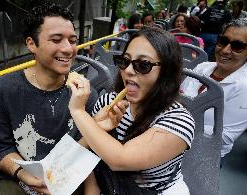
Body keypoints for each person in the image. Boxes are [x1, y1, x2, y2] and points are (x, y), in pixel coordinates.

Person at [0, 3, 98, 195]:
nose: (68, 49)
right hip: (21, 181)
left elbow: (87, 153)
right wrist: (24, 175)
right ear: (31, 44)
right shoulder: (2, 91)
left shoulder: (84, 93)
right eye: (56, 40)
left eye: (72, 40)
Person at [68, 27, 195, 195]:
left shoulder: (179, 120)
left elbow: (119, 159)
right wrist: (92, 189)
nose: (127, 70)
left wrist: (78, 111)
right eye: (124, 61)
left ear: (166, 72)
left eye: (143, 65)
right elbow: (89, 152)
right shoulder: (109, 102)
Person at [181, 18, 247, 163]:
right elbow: (180, 96)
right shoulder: (203, 67)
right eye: (223, 41)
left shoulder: (244, 87)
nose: (225, 50)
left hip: (203, 157)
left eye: (237, 46)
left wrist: (178, 122)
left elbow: (223, 136)